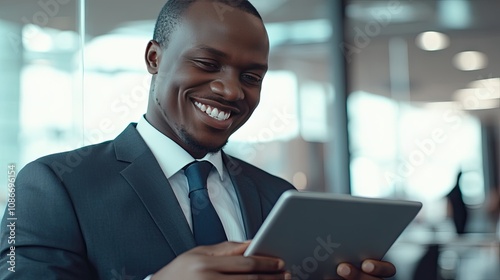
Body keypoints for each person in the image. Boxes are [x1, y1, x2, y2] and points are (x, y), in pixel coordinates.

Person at [0, 0, 396, 279]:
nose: (231, 91)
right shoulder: (50, 185)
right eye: (207, 64)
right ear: (155, 58)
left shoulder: (279, 197)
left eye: (251, 77)